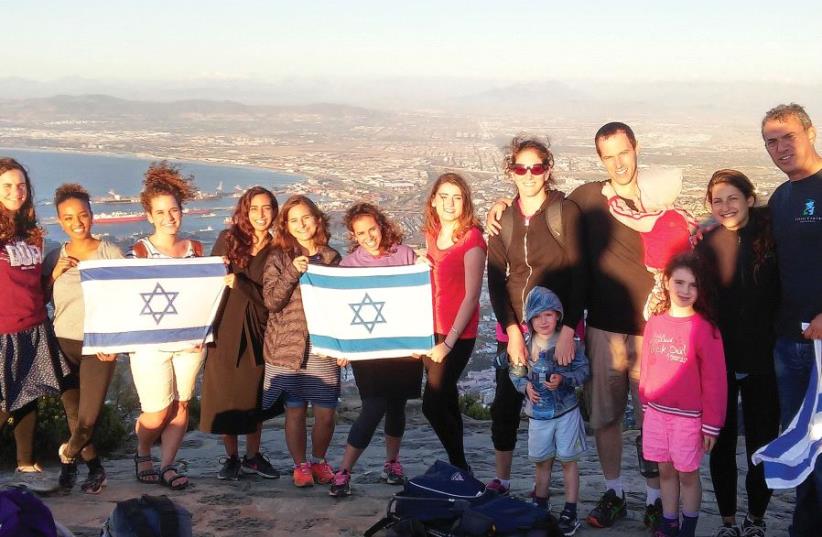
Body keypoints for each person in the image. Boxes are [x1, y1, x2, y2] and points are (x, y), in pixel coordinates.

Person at [486, 135, 585, 495]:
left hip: (556, 330)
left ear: (548, 170)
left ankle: (557, 491)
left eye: (536, 167)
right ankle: (503, 479)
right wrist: (512, 330)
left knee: (560, 404)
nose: (529, 174)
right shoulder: (504, 219)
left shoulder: (564, 212)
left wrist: (570, 328)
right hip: (514, 328)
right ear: (510, 171)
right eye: (520, 167)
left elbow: (580, 273)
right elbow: (496, 280)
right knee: (506, 406)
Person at [695, 170, 780, 537]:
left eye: (733, 198)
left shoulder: (773, 236)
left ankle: (756, 519)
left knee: (762, 444)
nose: (726, 207)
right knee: (722, 444)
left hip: (765, 359)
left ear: (749, 198)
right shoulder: (706, 244)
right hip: (720, 361)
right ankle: (729, 521)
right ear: (710, 207)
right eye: (718, 201)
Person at [329, 202, 422, 497]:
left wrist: (420, 341)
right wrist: (341, 345)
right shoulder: (348, 265)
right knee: (373, 406)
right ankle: (344, 470)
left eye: (372, 229)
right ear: (353, 235)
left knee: (397, 405)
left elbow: (419, 298)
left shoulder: (405, 255)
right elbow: (341, 310)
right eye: (361, 232)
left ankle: (392, 463)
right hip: (368, 351)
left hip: (402, 347)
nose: (369, 236)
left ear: (382, 226)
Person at [761, 103, 822, 536]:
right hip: (788, 343)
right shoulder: (782, 197)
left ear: (810, 132)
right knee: (799, 449)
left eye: (787, 137)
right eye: (771, 142)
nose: (781, 148)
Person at [127, 161, 204, 490]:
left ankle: (168, 464)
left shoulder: (196, 250)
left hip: (190, 342)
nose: (168, 217)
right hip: (150, 344)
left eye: (173, 210)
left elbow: (205, 294)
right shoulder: (139, 253)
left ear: (181, 211)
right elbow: (125, 299)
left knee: (181, 404)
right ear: (149, 216)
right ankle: (143, 448)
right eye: (160, 212)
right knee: (157, 411)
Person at [43, 183, 123, 494]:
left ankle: (67, 457)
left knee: (88, 419)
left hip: (98, 345)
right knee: (73, 415)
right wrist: (53, 275)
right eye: (69, 217)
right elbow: (38, 299)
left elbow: (128, 300)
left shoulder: (110, 253)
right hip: (61, 342)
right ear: (60, 221)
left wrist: (116, 343)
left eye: (83, 215)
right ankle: (93, 470)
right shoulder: (55, 256)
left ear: (92, 215)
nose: (77, 223)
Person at [639, 253, 727, 537]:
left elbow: (716, 381)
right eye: (679, 282)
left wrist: (712, 424)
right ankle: (669, 522)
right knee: (664, 471)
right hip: (656, 414)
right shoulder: (654, 323)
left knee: (688, 474)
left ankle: (688, 528)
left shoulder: (706, 330)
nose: (685, 290)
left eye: (693, 285)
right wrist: (645, 402)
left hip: (689, 419)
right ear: (666, 282)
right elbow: (647, 366)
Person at [199, 186, 280, 481]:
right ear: (245, 210)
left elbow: (274, 298)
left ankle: (252, 456)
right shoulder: (228, 239)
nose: (260, 214)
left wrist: (240, 283)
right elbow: (208, 282)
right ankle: (231, 457)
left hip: (259, 328)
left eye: (267, 208)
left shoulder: (279, 248)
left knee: (253, 396)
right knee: (225, 395)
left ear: (274, 211)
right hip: (225, 325)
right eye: (254, 208)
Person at [261, 195, 341, 488]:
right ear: (286, 226)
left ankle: (319, 461)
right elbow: (271, 301)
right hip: (287, 347)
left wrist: (343, 346)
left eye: (305, 217)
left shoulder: (332, 257)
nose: (301, 224)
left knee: (326, 413)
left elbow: (340, 303)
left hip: (322, 347)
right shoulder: (278, 256)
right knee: (294, 411)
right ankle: (300, 465)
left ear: (317, 219)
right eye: (293, 220)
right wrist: (294, 270)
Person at [0, 158, 68, 475]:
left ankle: (26, 463)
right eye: (8, 186)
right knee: (3, 401)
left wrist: (54, 274)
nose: (17, 192)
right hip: (3, 329)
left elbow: (35, 285)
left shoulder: (32, 234)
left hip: (34, 324)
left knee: (30, 394)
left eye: (21, 185)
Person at [508, 286, 589, 536]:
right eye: (537, 316)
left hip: (566, 411)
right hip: (538, 414)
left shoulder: (571, 343)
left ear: (558, 316)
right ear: (529, 320)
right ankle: (540, 505)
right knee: (541, 462)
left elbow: (583, 372)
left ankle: (570, 510)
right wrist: (524, 387)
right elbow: (516, 370)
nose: (543, 321)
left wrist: (562, 380)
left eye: (549, 315)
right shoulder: (527, 344)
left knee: (568, 461)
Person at [421, 173, 486, 471]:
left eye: (457, 197)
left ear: (465, 203)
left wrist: (448, 343)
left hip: (456, 334)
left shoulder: (472, 238)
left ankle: (460, 466)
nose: (449, 203)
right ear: (434, 200)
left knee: (431, 404)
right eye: (444, 196)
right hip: (430, 329)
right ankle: (460, 469)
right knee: (446, 400)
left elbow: (471, 296)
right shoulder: (431, 235)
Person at [601, 168, 696, 319]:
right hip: (686, 267)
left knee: (654, 309)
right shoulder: (681, 214)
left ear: (654, 199)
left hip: (663, 271)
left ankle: (659, 321)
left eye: (639, 196)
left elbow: (624, 214)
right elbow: (695, 226)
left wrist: (611, 194)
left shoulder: (651, 220)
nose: (635, 200)